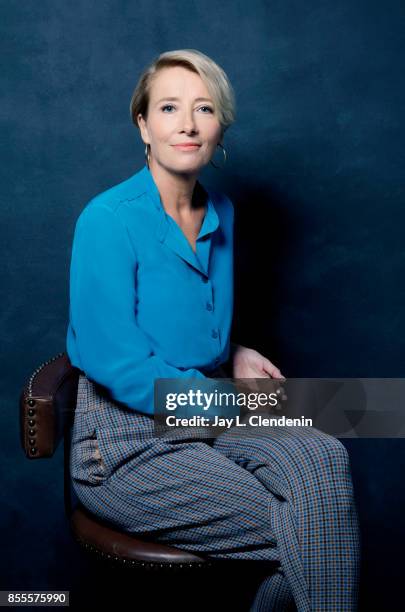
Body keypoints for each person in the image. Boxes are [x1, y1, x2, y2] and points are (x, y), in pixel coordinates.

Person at [66, 49, 361, 611]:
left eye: (204, 108)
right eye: (170, 107)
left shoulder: (221, 210)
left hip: (208, 408)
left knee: (326, 459)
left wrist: (234, 350)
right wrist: (230, 400)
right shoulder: (106, 220)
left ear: (220, 125)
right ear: (143, 125)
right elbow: (118, 364)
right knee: (313, 530)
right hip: (127, 441)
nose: (187, 122)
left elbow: (187, 318)